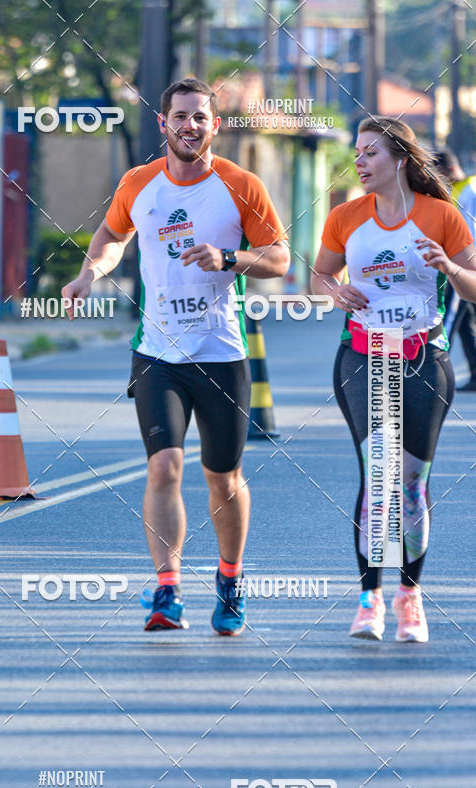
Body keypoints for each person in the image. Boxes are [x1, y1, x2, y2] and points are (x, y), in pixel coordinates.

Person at [61, 78, 290, 634]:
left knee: (223, 477)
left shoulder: (240, 185)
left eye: (200, 118)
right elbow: (112, 239)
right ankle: (167, 591)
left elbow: (280, 259)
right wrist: (89, 274)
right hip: (157, 354)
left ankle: (230, 582)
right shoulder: (139, 183)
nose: (190, 126)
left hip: (221, 354)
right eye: (180, 116)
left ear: (215, 125)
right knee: (164, 466)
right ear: (163, 123)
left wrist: (231, 257)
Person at [312, 116, 476, 643]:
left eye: (370, 154)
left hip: (423, 357)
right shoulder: (345, 217)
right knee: (377, 475)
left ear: (400, 160)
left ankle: (410, 598)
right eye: (357, 153)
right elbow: (319, 275)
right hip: (363, 355)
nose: (359, 162)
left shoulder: (442, 216)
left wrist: (449, 267)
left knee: (409, 483)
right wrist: (335, 293)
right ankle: (369, 601)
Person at [434, 149, 476, 391]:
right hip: (463, 267)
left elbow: (468, 236)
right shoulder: (462, 189)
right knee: (465, 323)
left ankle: (433, 371)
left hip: (464, 268)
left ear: (448, 169)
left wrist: (457, 270)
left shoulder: (468, 192)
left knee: (447, 320)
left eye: (438, 174)